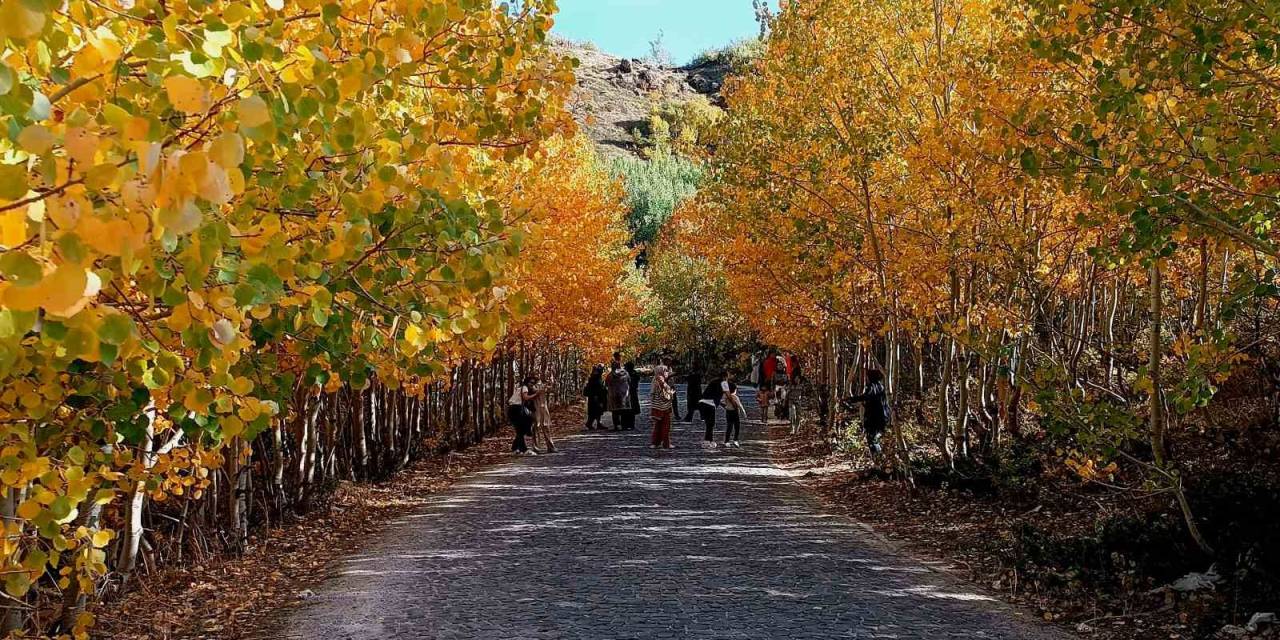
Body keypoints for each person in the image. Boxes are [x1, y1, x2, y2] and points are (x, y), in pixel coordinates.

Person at [847, 369, 890, 456]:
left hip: (874, 418)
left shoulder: (872, 386)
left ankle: (879, 459)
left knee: (872, 439)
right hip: (883, 416)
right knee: (876, 437)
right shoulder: (881, 386)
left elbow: (867, 396)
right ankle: (881, 460)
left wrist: (852, 399)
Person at [508, 375, 538, 455]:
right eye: (531, 382)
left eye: (534, 383)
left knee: (520, 430)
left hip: (514, 409)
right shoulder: (524, 387)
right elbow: (526, 397)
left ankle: (515, 447)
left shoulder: (522, 388)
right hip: (516, 409)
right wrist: (536, 394)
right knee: (520, 429)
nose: (532, 384)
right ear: (527, 382)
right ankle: (523, 449)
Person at [696, 370, 728, 447]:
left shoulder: (713, 382)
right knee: (710, 424)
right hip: (710, 404)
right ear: (725, 377)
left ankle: (709, 440)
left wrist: (723, 405)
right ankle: (707, 441)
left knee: (709, 424)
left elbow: (714, 395)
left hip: (702, 403)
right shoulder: (723, 383)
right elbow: (728, 394)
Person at [649, 369, 676, 449]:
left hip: (656, 407)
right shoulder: (661, 382)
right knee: (666, 427)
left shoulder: (655, 381)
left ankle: (655, 443)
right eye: (666, 371)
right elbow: (664, 396)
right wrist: (671, 393)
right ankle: (666, 444)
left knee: (657, 426)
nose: (668, 373)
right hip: (663, 408)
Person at [532, 375, 556, 453]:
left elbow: (551, 389)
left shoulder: (542, 386)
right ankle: (537, 447)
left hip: (543, 409)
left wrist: (550, 383)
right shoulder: (532, 386)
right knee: (537, 428)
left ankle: (550, 446)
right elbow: (536, 391)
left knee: (545, 428)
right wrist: (543, 387)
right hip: (536, 409)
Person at [606, 361, 630, 431]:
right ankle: (624, 425)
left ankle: (616, 425)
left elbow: (606, 383)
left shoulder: (610, 375)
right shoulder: (625, 373)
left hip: (614, 395)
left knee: (615, 411)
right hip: (624, 394)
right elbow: (629, 381)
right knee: (624, 410)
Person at [583, 364, 608, 430]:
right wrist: (596, 396)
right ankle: (589, 423)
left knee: (597, 410)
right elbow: (595, 388)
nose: (602, 370)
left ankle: (598, 423)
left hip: (597, 396)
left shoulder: (596, 377)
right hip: (595, 397)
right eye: (602, 369)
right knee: (594, 410)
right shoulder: (595, 377)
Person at [722, 379, 745, 447]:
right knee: (737, 426)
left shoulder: (725, 397)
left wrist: (725, 407)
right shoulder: (735, 397)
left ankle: (726, 441)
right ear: (735, 390)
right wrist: (743, 412)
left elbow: (722, 402)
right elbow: (739, 405)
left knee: (729, 426)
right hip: (735, 413)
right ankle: (735, 439)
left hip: (728, 412)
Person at [622, 361, 641, 430]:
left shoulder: (626, 373)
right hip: (631, 393)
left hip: (628, 393)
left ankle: (625, 425)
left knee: (626, 409)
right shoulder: (634, 373)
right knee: (629, 409)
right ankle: (630, 424)